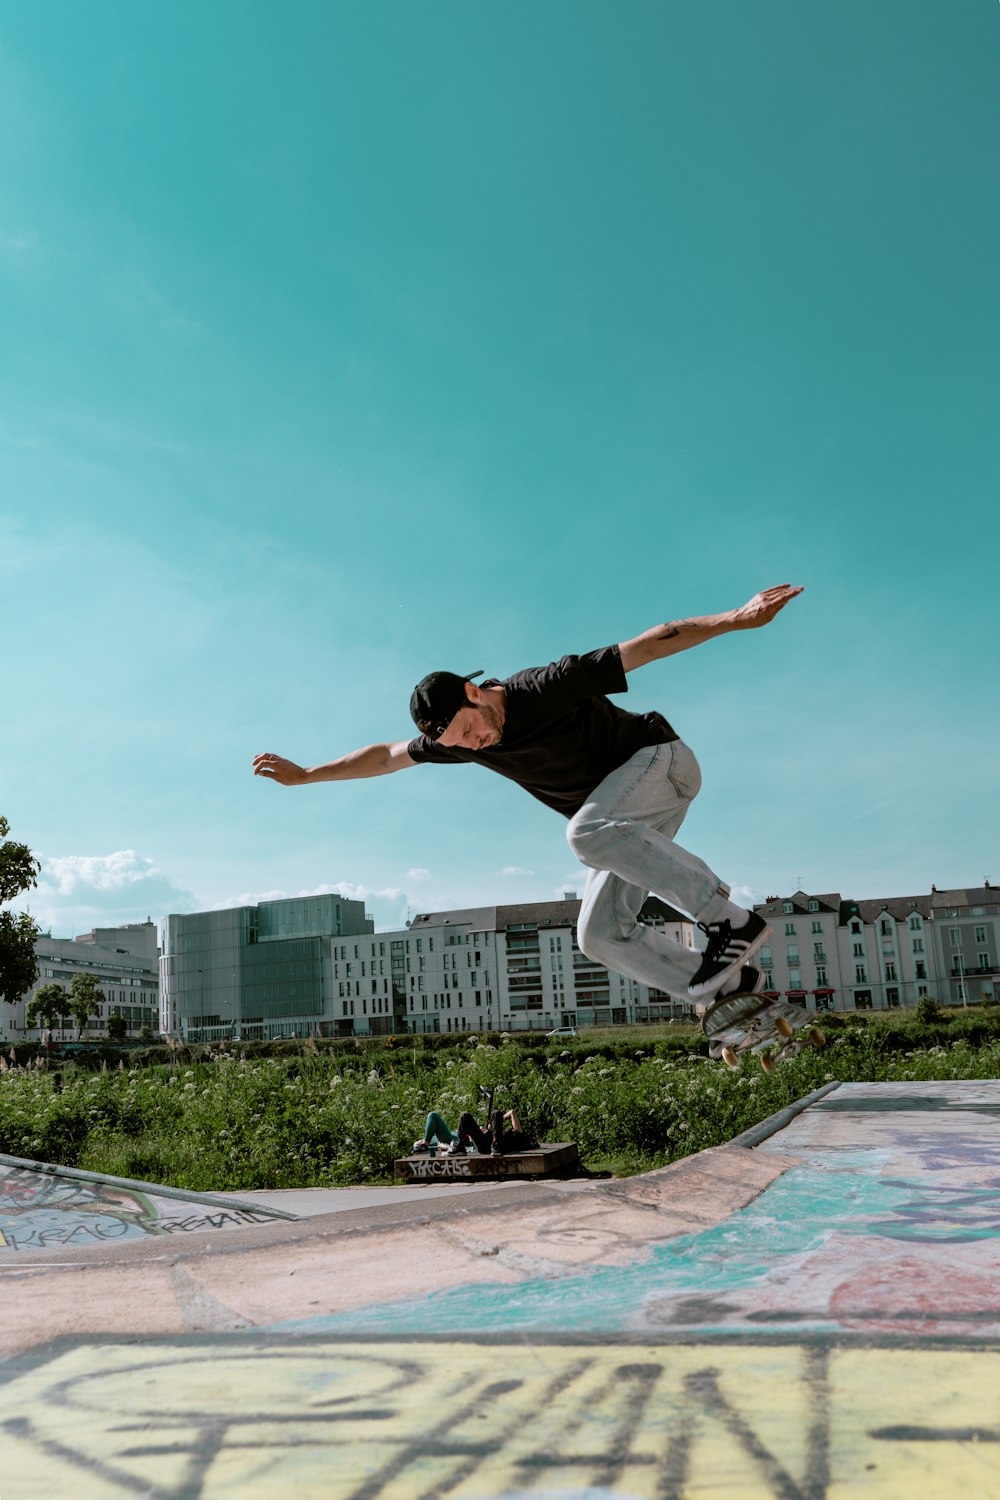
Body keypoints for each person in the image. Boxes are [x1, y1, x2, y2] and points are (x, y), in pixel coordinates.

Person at [253, 585, 802, 1011]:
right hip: (628, 819)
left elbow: (649, 644)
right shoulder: (458, 742)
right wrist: (306, 777)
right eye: (456, 744)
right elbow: (384, 756)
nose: (471, 744)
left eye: (468, 730)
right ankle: (728, 985)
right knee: (598, 934)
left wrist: (736, 618)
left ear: (474, 692)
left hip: (662, 761)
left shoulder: (544, 686)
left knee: (583, 833)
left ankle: (729, 920)